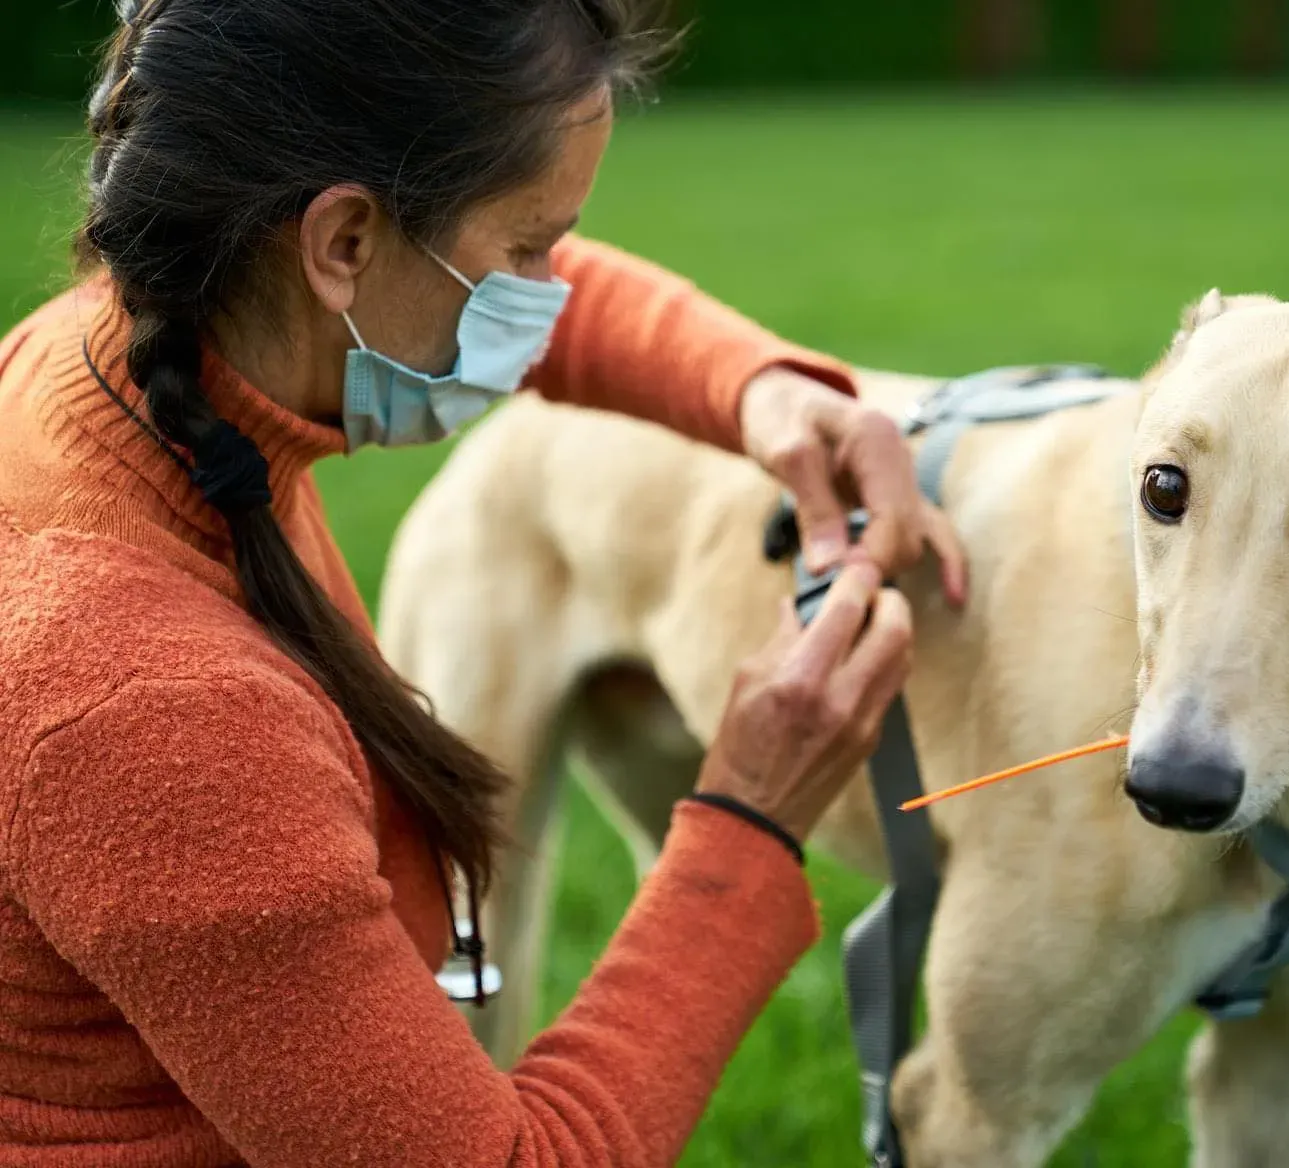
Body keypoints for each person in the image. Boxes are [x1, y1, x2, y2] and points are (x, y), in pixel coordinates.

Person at [0, 1, 968, 1164]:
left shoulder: (119, 353)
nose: (548, 290)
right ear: (343, 243)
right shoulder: (149, 711)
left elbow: (498, 302)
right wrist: (749, 814)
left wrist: (754, 388)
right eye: (529, 247)